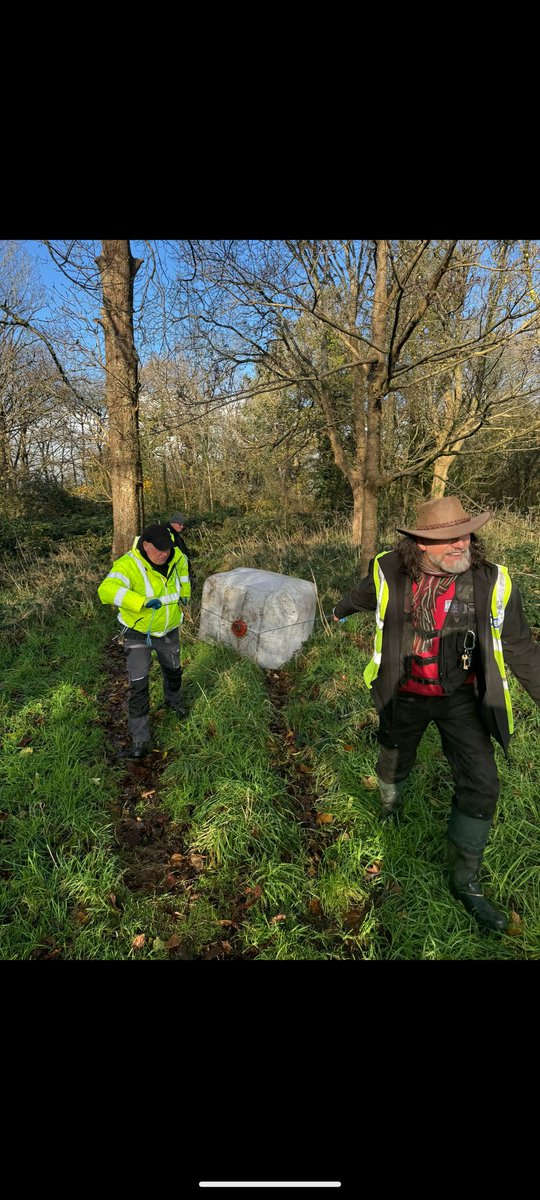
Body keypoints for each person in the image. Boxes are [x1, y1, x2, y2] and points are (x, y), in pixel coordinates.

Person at [333, 496, 540, 932]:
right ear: (421, 545)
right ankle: (391, 804)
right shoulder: (390, 568)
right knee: (394, 758)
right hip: (401, 692)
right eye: (446, 539)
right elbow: (367, 594)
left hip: (460, 696)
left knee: (483, 783)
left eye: (463, 535)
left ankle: (466, 881)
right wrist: (341, 609)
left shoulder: (492, 581)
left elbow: (520, 647)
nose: (459, 545)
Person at [98, 524, 191, 758]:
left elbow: (183, 574)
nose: (165, 554)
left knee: (174, 671)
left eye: (168, 549)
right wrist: (139, 601)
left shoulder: (175, 554)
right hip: (138, 632)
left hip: (169, 629)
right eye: (159, 550)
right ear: (146, 544)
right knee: (138, 683)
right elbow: (106, 590)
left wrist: (186, 594)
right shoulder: (127, 564)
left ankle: (173, 701)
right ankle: (140, 737)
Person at [167, 512, 196, 586]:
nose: (182, 527)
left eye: (183, 524)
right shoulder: (168, 534)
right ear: (173, 523)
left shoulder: (175, 534)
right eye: (180, 524)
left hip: (180, 570)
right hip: (174, 572)